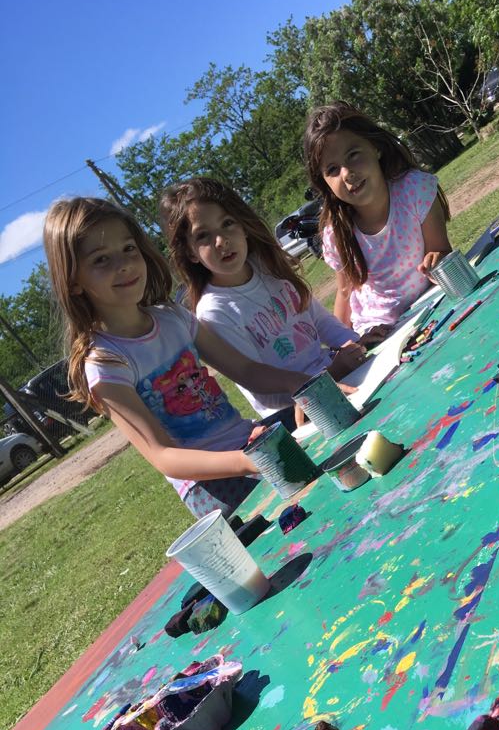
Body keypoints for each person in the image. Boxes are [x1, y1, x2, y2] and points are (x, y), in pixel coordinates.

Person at [43, 196, 314, 519]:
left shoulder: (173, 317)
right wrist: (247, 461)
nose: (124, 264)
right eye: (101, 259)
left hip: (249, 441)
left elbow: (245, 369)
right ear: (73, 281)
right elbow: (164, 456)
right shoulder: (105, 363)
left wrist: (303, 386)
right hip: (209, 485)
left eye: (128, 248)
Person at [159, 177, 372, 425]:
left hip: (338, 375)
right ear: (190, 252)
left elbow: (318, 319)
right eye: (203, 235)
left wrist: (356, 344)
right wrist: (332, 373)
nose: (221, 241)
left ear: (243, 226)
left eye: (227, 223)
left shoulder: (267, 266)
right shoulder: (214, 311)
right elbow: (264, 395)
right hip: (298, 415)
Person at [303, 102, 452, 337]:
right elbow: (345, 292)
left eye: (353, 155)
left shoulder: (415, 189)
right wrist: (347, 343)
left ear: (375, 147)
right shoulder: (336, 234)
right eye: (332, 169)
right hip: (376, 333)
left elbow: (441, 252)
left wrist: (438, 259)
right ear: (325, 184)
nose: (347, 173)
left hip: (432, 307)